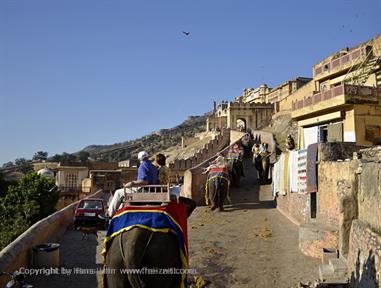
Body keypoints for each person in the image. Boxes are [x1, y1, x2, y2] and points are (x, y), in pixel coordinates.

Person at [108, 151, 158, 216]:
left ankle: (110, 214)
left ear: (140, 159)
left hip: (143, 191)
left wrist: (131, 183)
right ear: (147, 157)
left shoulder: (143, 166)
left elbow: (144, 182)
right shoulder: (153, 167)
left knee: (118, 192)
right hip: (152, 190)